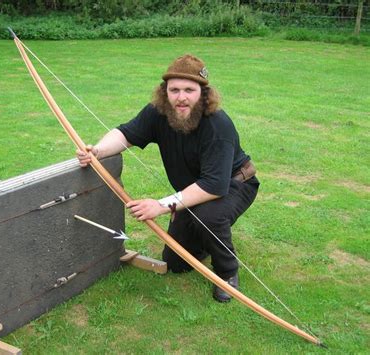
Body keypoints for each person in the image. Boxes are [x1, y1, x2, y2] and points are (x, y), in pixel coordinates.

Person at [77, 54, 259, 302]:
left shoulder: (218, 125)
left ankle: (227, 273)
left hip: (235, 184)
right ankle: (205, 239)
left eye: (189, 90)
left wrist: (161, 205)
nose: (181, 97)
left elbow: (214, 186)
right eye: (174, 90)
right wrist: (97, 151)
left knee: (209, 215)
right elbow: (126, 134)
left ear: (203, 93)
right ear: (165, 92)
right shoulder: (158, 113)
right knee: (175, 263)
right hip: (195, 190)